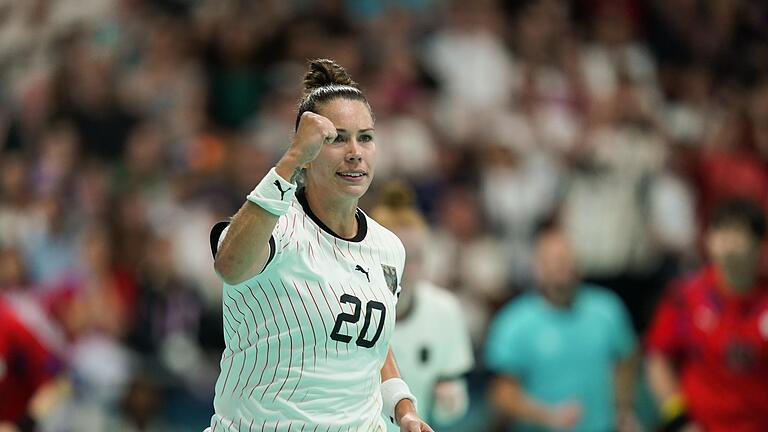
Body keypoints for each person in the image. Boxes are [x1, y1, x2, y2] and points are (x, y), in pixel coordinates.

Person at [207, 59, 433, 431]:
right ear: (308, 151)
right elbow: (229, 265)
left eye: (365, 137)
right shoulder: (274, 224)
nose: (355, 151)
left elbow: (372, 344)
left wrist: (403, 409)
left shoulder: (388, 247)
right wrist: (290, 160)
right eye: (336, 138)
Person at [484, 222, 638, 432]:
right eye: (552, 261)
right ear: (536, 268)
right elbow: (501, 393)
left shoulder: (607, 309)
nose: (561, 268)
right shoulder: (513, 323)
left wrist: (623, 409)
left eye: (566, 260)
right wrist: (547, 416)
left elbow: (626, 359)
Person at [646, 198, 768, 432]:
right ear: (708, 241)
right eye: (719, 232)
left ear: (759, 245)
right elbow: (658, 359)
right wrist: (679, 419)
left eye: (737, 234)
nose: (727, 243)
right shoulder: (685, 297)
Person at [370, 182, 474, 431]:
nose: (405, 270)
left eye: (414, 257)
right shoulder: (349, 308)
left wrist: (451, 399)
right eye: (394, 259)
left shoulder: (445, 310)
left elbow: (450, 410)